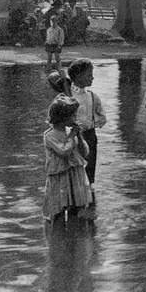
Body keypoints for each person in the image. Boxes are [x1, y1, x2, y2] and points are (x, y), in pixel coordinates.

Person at [43, 96, 92, 222]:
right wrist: (72, 136)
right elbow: (63, 151)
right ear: (62, 117)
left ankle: (73, 237)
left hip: (74, 174)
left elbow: (85, 153)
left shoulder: (71, 132)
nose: (76, 119)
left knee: (76, 210)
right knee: (58, 211)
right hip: (59, 176)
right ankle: (58, 238)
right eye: (73, 116)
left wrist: (79, 138)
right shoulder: (49, 135)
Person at [67, 59, 107, 205]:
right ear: (77, 76)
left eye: (92, 75)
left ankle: (90, 196)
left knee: (90, 165)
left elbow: (102, 117)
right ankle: (74, 194)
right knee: (74, 165)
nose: (92, 78)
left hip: (90, 135)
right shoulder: (67, 95)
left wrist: (92, 124)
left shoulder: (92, 96)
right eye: (88, 75)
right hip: (72, 136)